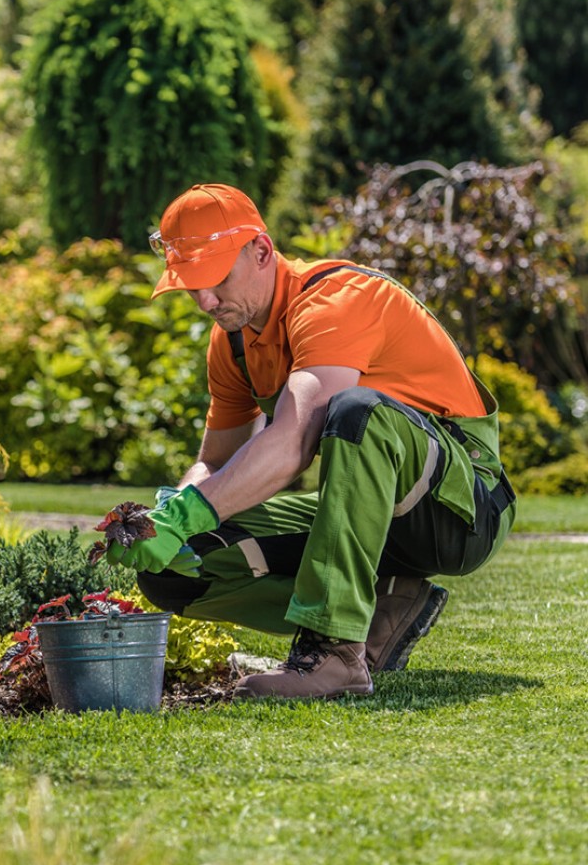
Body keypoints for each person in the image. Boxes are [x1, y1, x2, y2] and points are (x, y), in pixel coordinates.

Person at [104, 183, 516, 699]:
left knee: (355, 411)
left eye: (215, 279)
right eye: (190, 286)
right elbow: (214, 463)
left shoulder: (334, 301)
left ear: (260, 251)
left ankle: (335, 652)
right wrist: (164, 521)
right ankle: (385, 612)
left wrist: (187, 513)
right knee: (176, 572)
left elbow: (295, 439)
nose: (205, 300)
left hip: (461, 510)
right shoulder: (231, 341)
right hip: (367, 512)